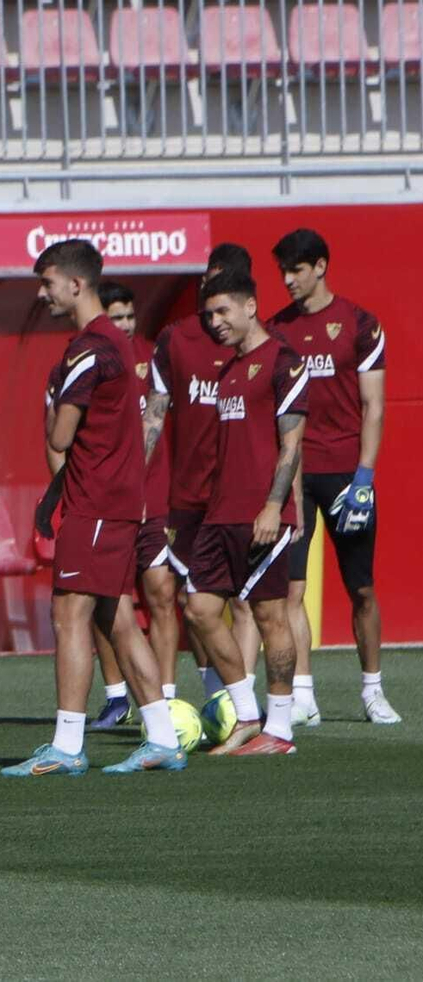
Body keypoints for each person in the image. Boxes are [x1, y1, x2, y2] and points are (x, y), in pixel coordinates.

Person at [3, 240, 183, 777]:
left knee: (69, 615)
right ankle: (164, 738)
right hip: (112, 499)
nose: (42, 294)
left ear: (75, 284)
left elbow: (60, 434)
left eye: (47, 283)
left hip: (98, 503)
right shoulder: (114, 343)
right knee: (116, 616)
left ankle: (67, 745)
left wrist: (55, 398)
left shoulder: (88, 349)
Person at [267, 229, 400, 725]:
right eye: (283, 270)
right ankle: (303, 696)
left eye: (296, 269)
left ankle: (373, 691)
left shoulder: (360, 324)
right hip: (295, 476)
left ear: (320, 266)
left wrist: (364, 476)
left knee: (361, 588)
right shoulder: (274, 329)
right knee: (291, 592)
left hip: (347, 475)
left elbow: (374, 406)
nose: (287, 280)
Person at [182, 269, 310, 755]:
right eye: (208, 314)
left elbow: (292, 443)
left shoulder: (284, 361)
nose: (215, 322)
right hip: (220, 514)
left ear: (251, 306)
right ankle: (247, 716)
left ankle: (280, 731)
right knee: (200, 609)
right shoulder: (228, 370)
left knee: (270, 614)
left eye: (223, 311)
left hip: (262, 512)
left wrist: (276, 505)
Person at [144, 244, 257, 704]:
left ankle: (240, 703)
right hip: (189, 498)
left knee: (245, 603)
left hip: (243, 498)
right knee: (193, 603)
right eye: (208, 278)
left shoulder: (264, 348)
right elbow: (154, 413)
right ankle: (201, 697)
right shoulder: (175, 340)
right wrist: (134, 475)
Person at [74, 282, 180, 729]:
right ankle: (117, 696)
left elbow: (156, 421)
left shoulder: (153, 357)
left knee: (160, 592)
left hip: (150, 498)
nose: (124, 325)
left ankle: (167, 698)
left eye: (129, 317)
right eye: (116, 317)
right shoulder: (86, 359)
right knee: (106, 600)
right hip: (105, 502)